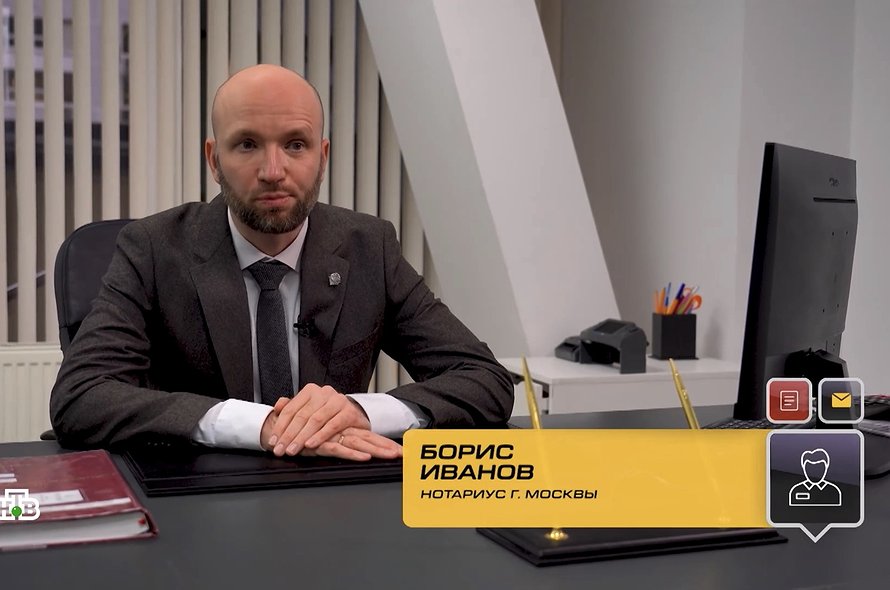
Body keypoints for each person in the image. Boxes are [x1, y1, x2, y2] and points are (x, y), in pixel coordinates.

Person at [50, 64, 513, 461]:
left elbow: (485, 379)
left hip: (333, 494)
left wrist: (361, 412)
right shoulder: (152, 249)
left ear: (322, 157)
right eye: (247, 144)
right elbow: (81, 395)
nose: (273, 171)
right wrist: (259, 425)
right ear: (214, 159)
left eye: (295, 145)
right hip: (201, 497)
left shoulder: (369, 247)